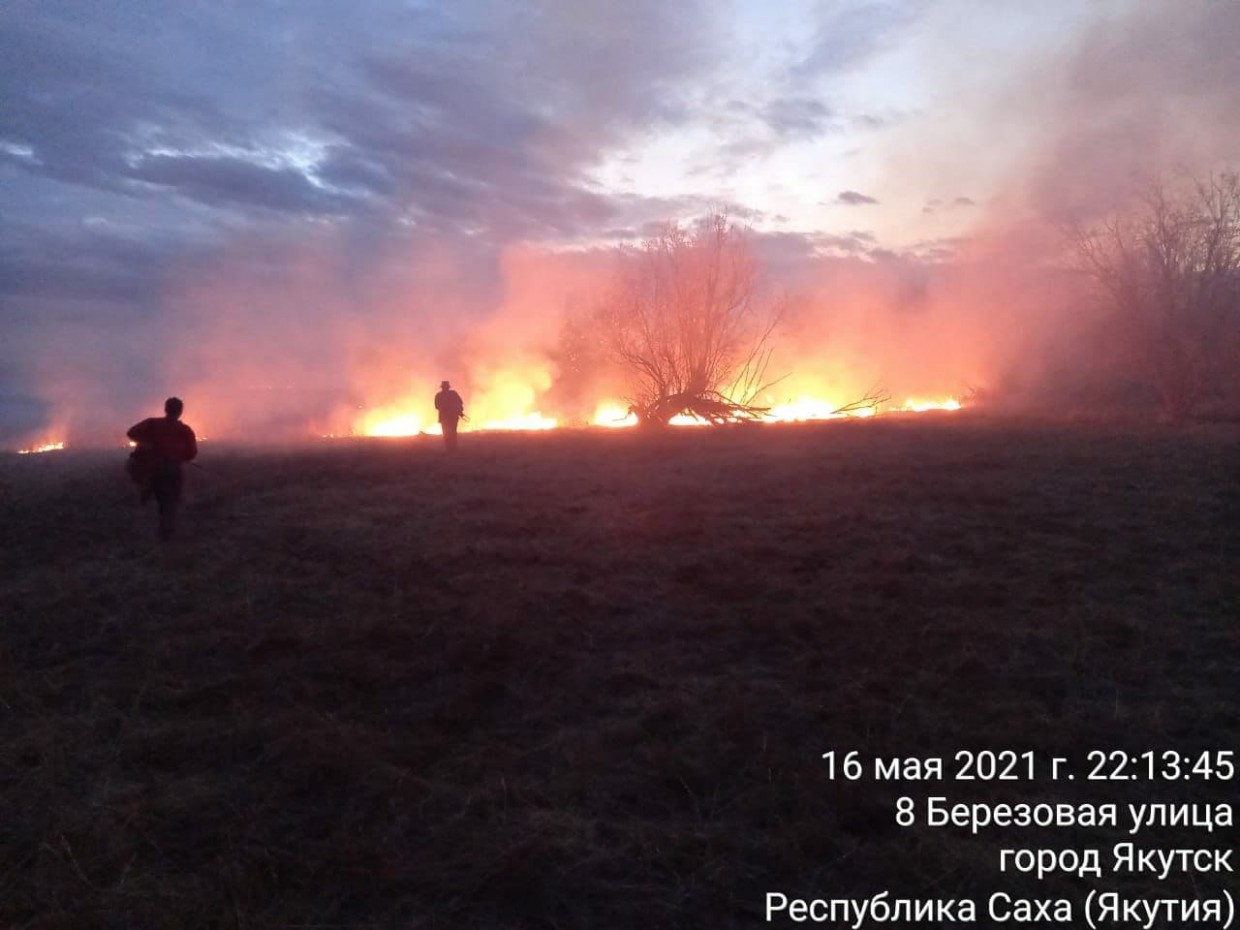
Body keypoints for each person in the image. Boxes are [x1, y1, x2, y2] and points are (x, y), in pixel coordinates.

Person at [126, 397, 198, 540]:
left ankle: (144, 517)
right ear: (180, 412)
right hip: (172, 470)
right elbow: (192, 453)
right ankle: (165, 533)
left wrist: (145, 443)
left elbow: (131, 432)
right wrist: (180, 456)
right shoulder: (184, 430)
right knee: (170, 502)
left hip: (151, 469)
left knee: (151, 496)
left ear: (165, 409)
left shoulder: (152, 424)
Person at [434, 380, 465, 451]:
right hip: (453, 417)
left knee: (446, 433)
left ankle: (449, 448)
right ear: (448, 387)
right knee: (453, 432)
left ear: (442, 387)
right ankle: (453, 447)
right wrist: (459, 411)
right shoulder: (453, 394)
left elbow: (436, 406)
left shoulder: (438, 395)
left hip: (444, 418)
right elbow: (460, 403)